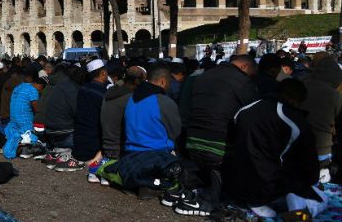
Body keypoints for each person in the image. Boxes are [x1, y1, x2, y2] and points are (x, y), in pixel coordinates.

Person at [225, 79, 324, 222]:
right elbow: (309, 163)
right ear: (296, 100)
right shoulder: (293, 118)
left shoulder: (246, 108)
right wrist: (309, 183)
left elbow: (233, 142)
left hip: (235, 182)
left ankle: (262, 204)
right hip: (265, 186)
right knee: (320, 198)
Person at [185, 55, 257, 211]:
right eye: (251, 74)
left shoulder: (202, 76)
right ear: (244, 67)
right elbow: (253, 114)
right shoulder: (243, 82)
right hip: (219, 147)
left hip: (192, 141)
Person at [113, 63, 182, 198]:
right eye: (168, 82)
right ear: (163, 81)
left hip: (130, 154)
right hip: (157, 156)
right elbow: (176, 133)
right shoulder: (164, 102)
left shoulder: (131, 98)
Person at [57, 59, 108, 178]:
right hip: (93, 147)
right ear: (103, 73)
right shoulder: (102, 93)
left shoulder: (83, 89)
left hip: (79, 143)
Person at [300, 55, 342, 183]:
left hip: (296, 144)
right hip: (322, 148)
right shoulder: (333, 95)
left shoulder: (299, 86)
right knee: (320, 184)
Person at [2, 72, 48, 159]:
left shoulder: (19, 87)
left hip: (13, 122)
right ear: (41, 86)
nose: (41, 92)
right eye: (42, 90)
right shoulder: (33, 90)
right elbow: (37, 110)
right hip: (25, 124)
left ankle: (22, 145)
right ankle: (25, 148)